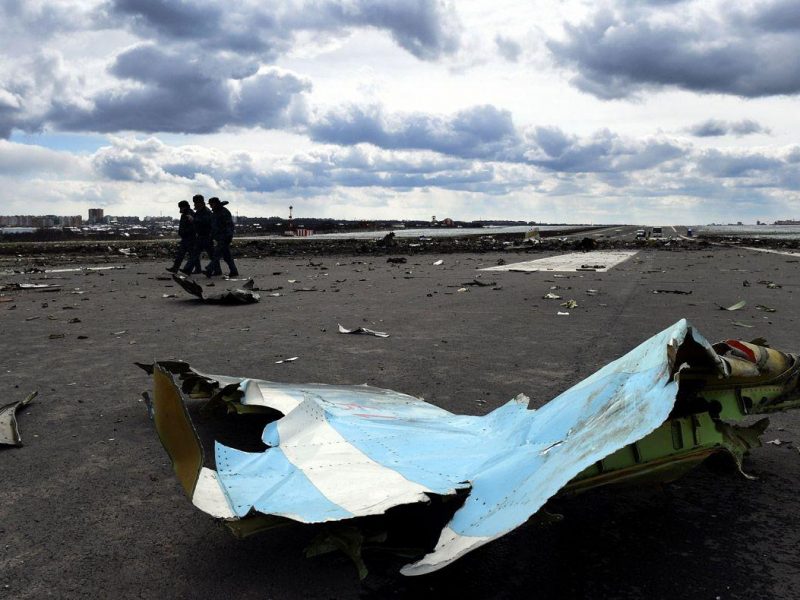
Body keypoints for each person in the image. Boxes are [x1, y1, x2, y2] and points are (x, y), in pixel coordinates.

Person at [204, 197, 238, 277]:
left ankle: (209, 269)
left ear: (215, 204)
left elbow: (229, 225)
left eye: (211, 204)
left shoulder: (223, 212)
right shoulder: (216, 212)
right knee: (227, 256)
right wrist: (212, 236)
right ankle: (234, 271)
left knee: (217, 255)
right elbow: (213, 227)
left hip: (224, 237)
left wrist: (228, 236)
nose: (210, 206)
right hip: (220, 237)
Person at [184, 194, 212, 274]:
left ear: (200, 202)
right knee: (195, 254)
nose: (195, 204)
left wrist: (193, 220)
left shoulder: (206, 211)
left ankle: (188, 269)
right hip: (201, 236)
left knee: (211, 255)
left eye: (196, 202)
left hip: (206, 236)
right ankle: (187, 269)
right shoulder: (200, 211)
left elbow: (205, 222)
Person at [166, 200, 195, 274]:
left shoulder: (190, 214)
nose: (180, 209)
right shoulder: (185, 214)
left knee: (191, 255)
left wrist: (185, 232)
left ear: (184, 207)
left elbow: (193, 226)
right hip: (186, 238)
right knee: (182, 254)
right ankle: (176, 268)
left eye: (181, 208)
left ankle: (187, 269)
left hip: (190, 238)